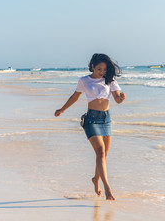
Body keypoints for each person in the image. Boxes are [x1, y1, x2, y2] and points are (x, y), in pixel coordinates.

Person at [54, 53, 126, 200]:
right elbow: (75, 96)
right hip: (91, 119)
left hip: (106, 119)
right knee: (100, 151)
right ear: (92, 66)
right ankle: (107, 188)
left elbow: (117, 100)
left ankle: (95, 179)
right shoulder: (84, 81)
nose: (102, 72)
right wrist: (62, 109)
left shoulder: (110, 80)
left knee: (103, 154)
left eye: (104, 69)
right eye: (99, 69)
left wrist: (121, 98)